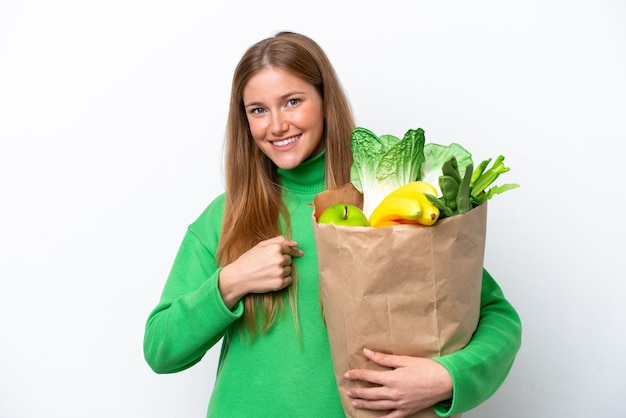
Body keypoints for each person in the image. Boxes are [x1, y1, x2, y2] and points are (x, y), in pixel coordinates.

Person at [143, 31, 522, 417]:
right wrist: (230, 282)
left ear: (325, 101)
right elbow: (161, 348)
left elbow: (495, 316)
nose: (276, 125)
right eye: (258, 110)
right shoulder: (227, 216)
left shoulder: (384, 203)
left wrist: (447, 377)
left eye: (292, 102)